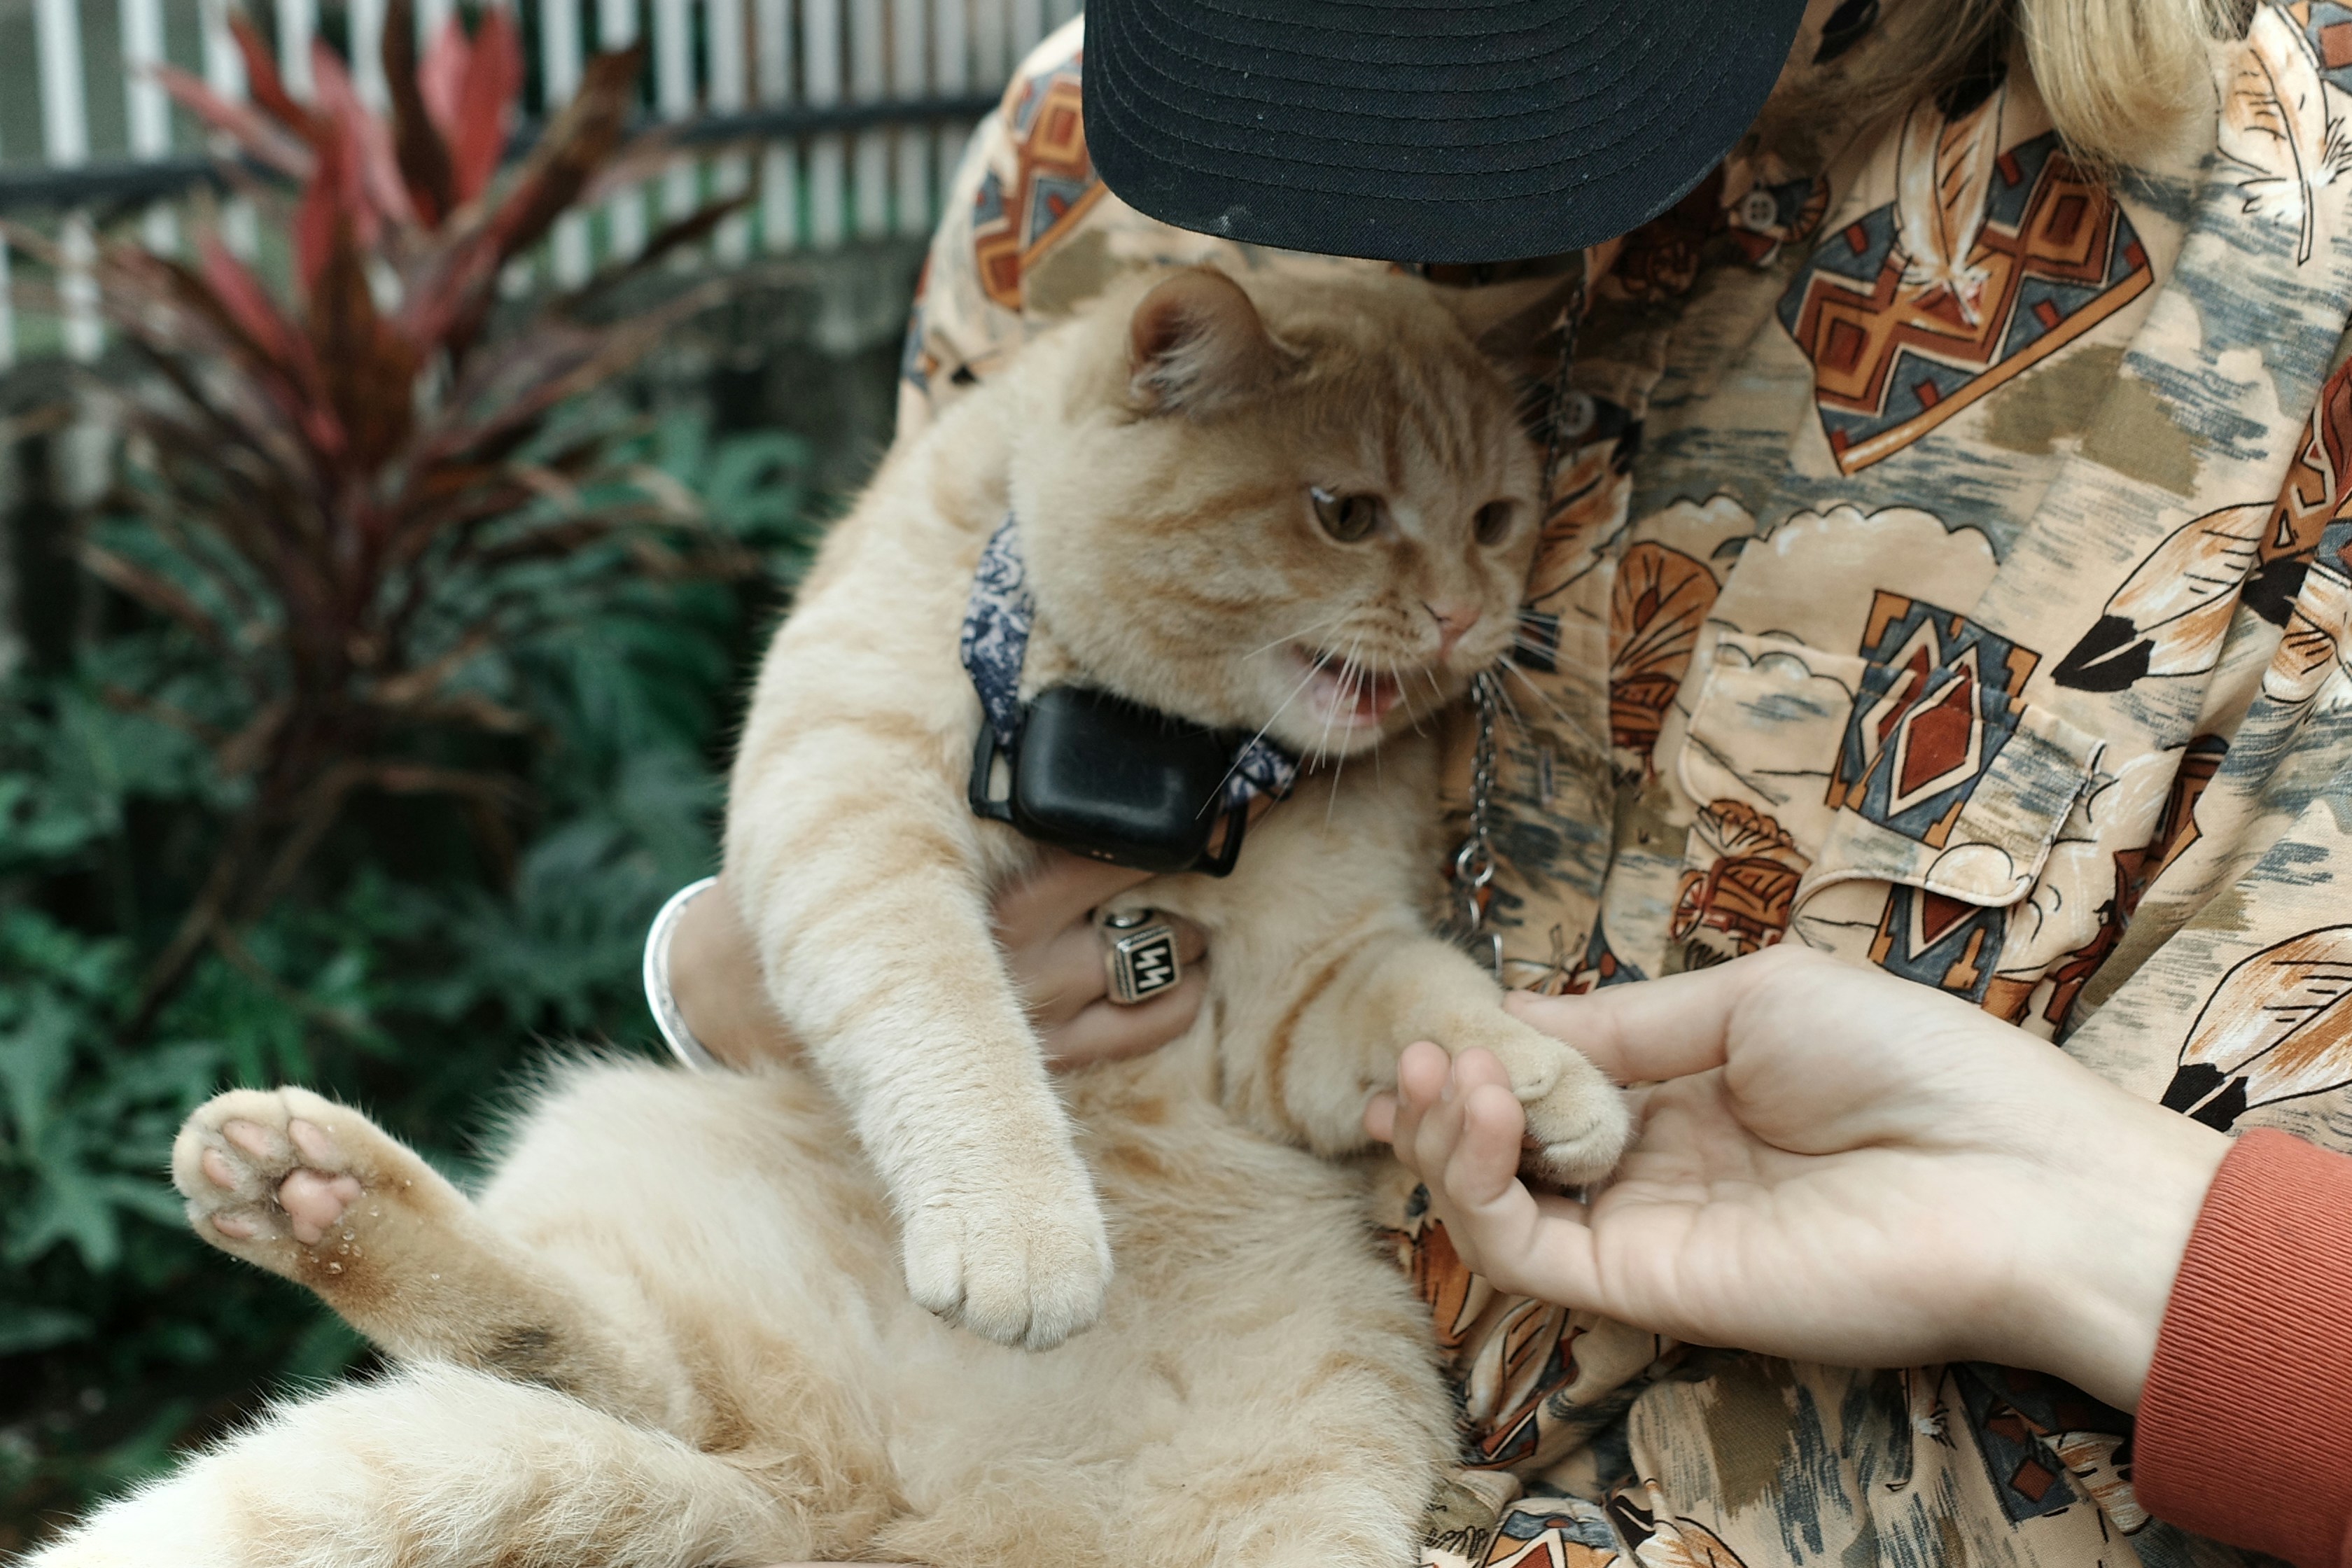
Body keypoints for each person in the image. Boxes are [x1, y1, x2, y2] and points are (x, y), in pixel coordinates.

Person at [655, 0, 2352, 1562]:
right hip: (976, 1424)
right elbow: (893, 697)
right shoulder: (1080, 148)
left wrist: (2118, 1244)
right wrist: (758, 970)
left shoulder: (2295, 219)